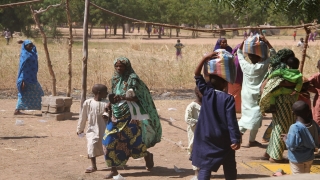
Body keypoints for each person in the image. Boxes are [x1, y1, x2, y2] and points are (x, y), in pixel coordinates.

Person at [102, 57, 162, 179]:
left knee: (133, 142)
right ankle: (113, 170)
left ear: (127, 66)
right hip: (115, 115)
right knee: (108, 141)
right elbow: (113, 94)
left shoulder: (133, 79)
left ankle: (147, 155)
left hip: (130, 116)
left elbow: (138, 97)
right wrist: (109, 104)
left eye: (121, 66)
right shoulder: (114, 78)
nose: (119, 68)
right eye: (117, 66)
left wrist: (123, 98)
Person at [192, 51, 241, 180]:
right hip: (223, 138)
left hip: (205, 136)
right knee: (229, 165)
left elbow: (197, 75)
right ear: (225, 83)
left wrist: (204, 58)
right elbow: (231, 121)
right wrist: (235, 139)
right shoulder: (228, 99)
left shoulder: (206, 93)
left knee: (205, 166)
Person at [260, 49, 298, 163]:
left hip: (277, 101)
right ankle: (275, 156)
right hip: (284, 101)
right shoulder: (282, 69)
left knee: (277, 126)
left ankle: (268, 153)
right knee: (282, 127)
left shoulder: (274, 68)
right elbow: (280, 82)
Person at [237, 34, 275, 148]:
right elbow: (274, 56)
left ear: (249, 57)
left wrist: (243, 42)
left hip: (247, 94)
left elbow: (239, 54)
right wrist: (267, 42)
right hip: (259, 95)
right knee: (256, 118)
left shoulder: (245, 66)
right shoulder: (263, 65)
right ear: (260, 57)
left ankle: (238, 137)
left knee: (246, 116)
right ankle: (250, 140)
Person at [77, 84, 109, 173]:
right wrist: (80, 128)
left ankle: (111, 164)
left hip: (105, 129)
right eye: (105, 92)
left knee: (107, 147)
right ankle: (93, 166)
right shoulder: (88, 102)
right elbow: (83, 116)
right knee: (91, 146)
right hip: (92, 129)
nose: (107, 93)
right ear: (99, 93)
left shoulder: (107, 103)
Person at [282, 101, 320, 174]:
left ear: (293, 113)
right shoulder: (313, 123)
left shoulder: (294, 127)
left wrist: (286, 139)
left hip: (297, 159)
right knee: (306, 175)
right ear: (309, 111)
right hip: (309, 157)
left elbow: (291, 146)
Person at [14, 40, 44, 115]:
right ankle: (17, 109)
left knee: (39, 93)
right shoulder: (24, 55)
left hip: (33, 78)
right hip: (25, 78)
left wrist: (25, 41)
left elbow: (34, 47)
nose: (31, 47)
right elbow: (22, 68)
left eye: (31, 46)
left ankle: (43, 108)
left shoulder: (32, 52)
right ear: (25, 47)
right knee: (23, 94)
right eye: (29, 46)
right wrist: (22, 80)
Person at [185, 87, 202, 178]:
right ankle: (196, 172)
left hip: (205, 133)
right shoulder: (192, 106)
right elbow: (187, 119)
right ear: (198, 93)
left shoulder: (207, 105)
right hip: (194, 132)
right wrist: (199, 122)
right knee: (194, 149)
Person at [308, 60, 320, 126]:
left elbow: (306, 83)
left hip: (318, 99)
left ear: (317, 66)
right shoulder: (316, 76)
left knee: (317, 117)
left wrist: (315, 90)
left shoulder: (316, 76)